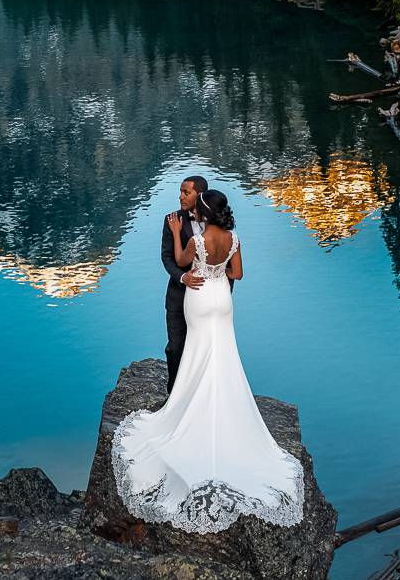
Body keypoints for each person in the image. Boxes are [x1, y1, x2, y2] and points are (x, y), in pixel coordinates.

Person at [114, 190, 304, 534]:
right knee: (222, 354)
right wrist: (219, 274)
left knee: (197, 354)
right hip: (221, 299)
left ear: (205, 213)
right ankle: (224, 409)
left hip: (199, 298)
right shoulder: (234, 238)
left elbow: (182, 262)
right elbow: (239, 274)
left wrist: (176, 234)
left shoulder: (198, 240)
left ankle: (190, 408)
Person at [162, 175, 209, 393]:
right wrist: (183, 278)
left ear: (199, 194)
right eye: (180, 191)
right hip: (178, 296)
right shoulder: (171, 219)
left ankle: (200, 396)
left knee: (204, 348)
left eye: (185, 192)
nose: (180, 196)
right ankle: (173, 396)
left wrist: (224, 292)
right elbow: (168, 259)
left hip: (206, 299)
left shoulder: (216, 220)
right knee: (175, 347)